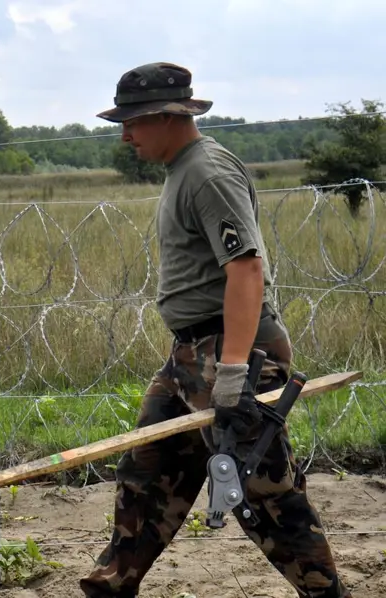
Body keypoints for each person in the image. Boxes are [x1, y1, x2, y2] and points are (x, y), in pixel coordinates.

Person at [78, 62, 352, 598]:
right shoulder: (184, 170)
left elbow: (246, 269)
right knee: (147, 476)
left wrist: (232, 371)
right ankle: (111, 587)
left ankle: (327, 594)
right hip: (191, 356)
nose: (125, 134)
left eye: (133, 121)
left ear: (167, 115)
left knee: (263, 493)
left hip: (224, 353)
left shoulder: (207, 172)